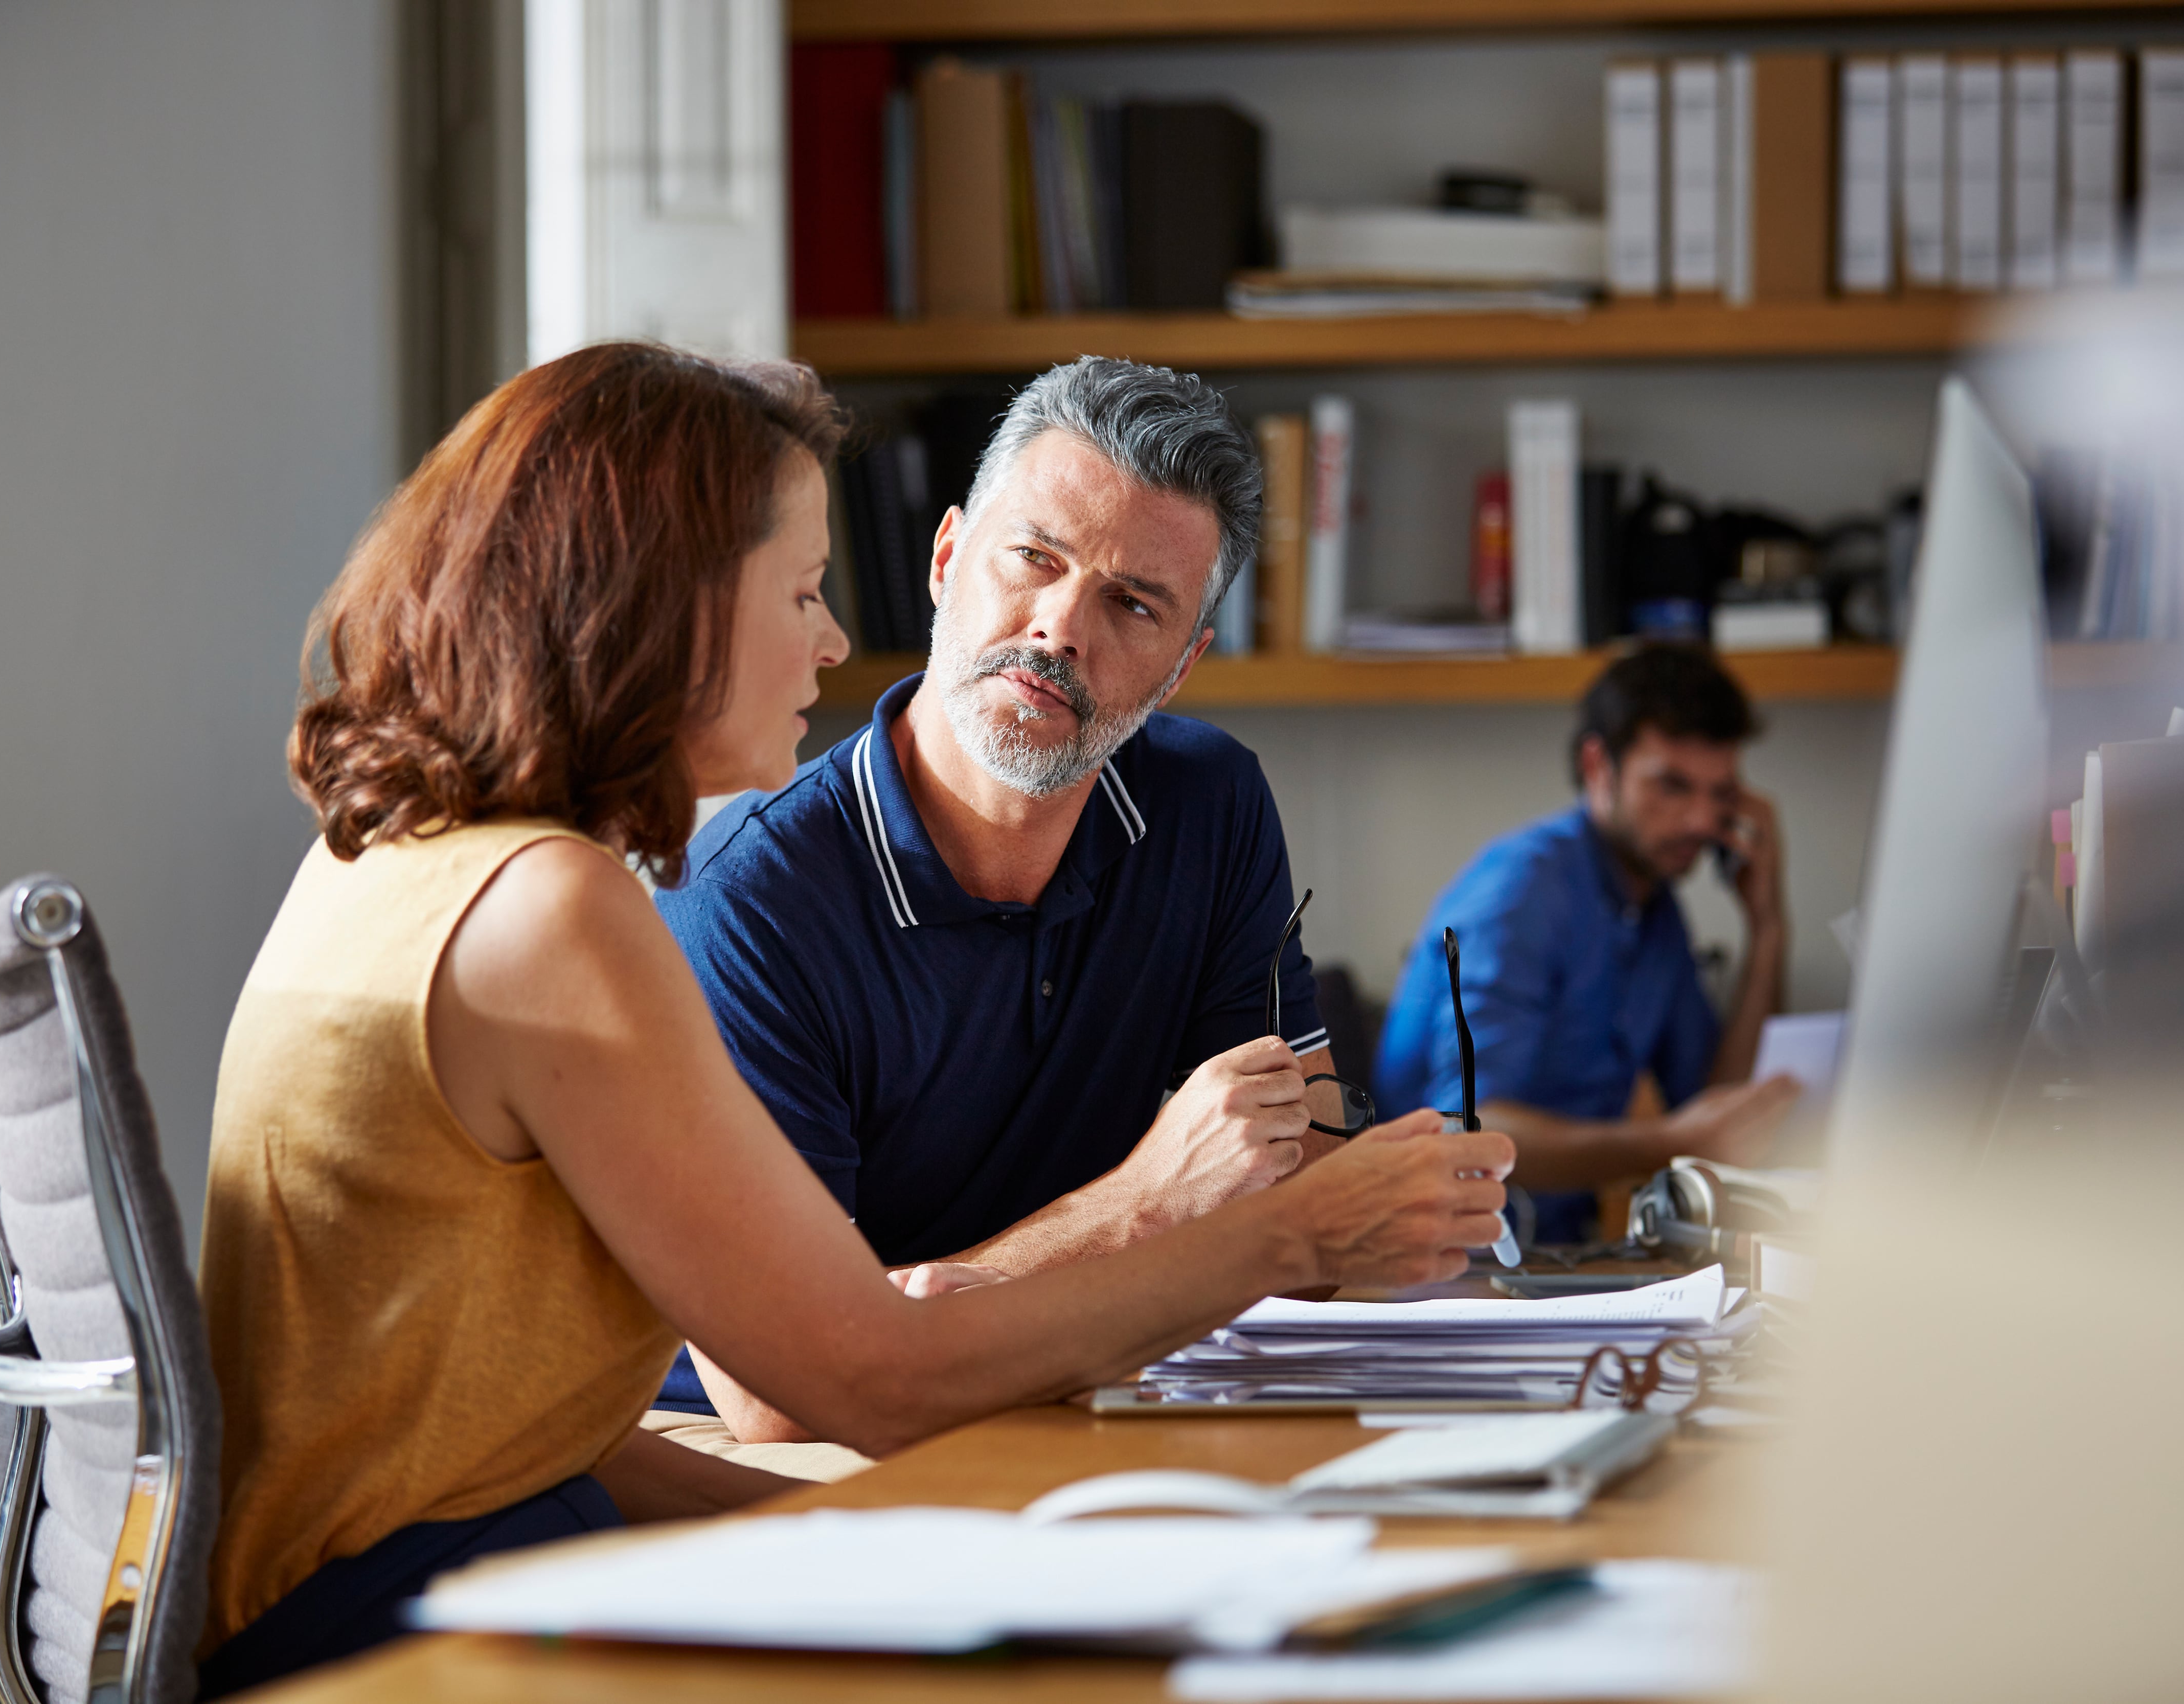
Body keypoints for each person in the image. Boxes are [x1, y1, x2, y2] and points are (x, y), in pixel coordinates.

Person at [191, 342, 1511, 1695]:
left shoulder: (400, 859)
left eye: (1130, 602)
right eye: (805, 590)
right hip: (380, 1637)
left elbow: (505, 1427)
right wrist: (1278, 1231)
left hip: (399, 1572)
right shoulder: (554, 911)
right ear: (668, 606)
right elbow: (863, 1379)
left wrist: (867, 1530)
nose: (830, 640)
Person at [651, 357, 1364, 1447]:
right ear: (946, 559)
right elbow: (786, 1393)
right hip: (805, 1464)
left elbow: (1301, 1184)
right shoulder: (745, 901)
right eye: (1033, 558)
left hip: (1091, 1397)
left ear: (1180, 668)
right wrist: (1146, 1208)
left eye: (1132, 604)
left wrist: (994, 1281)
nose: (1059, 629)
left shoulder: (1208, 804)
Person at [1371, 645, 1802, 1247]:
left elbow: (1719, 1110)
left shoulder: (1655, 913)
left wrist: (1767, 926)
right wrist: (1670, 1144)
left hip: (1552, 1258)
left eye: (1721, 793)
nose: (1703, 822)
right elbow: (1465, 1134)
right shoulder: (1520, 893)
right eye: (1672, 786)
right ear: (1598, 765)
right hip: (1434, 1263)